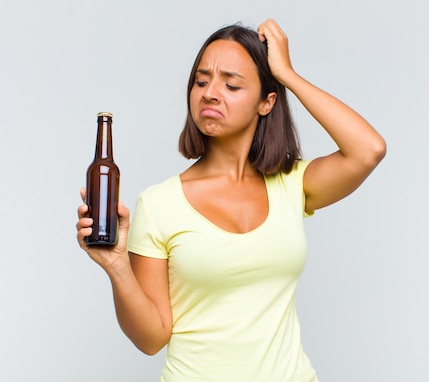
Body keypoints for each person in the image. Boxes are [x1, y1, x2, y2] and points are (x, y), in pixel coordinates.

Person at [76, 18, 386, 381]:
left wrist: (286, 74)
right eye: (201, 81)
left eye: (232, 84)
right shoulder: (159, 204)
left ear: (266, 102)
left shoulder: (292, 184)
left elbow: (369, 149)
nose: (209, 93)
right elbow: (151, 338)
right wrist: (117, 267)